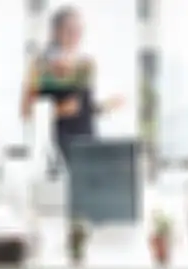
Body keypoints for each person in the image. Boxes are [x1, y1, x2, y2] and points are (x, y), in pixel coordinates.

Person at [21, 5, 123, 168]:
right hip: (55, 152)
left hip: (87, 149)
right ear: (55, 32)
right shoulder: (40, 66)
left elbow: (84, 109)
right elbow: (26, 112)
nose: (76, 36)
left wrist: (105, 107)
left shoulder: (85, 65)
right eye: (70, 30)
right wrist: (59, 110)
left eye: (79, 31)